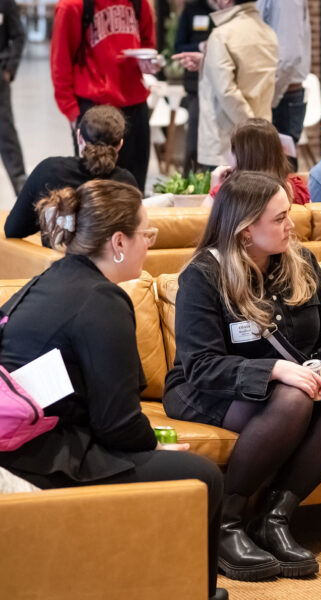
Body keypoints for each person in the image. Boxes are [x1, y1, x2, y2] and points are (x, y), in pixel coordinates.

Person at [0, 179, 227, 600]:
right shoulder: (101, 301)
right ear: (119, 241)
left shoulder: (51, 279)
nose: (149, 246)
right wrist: (153, 445)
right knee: (203, 476)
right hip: (38, 455)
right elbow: (117, 423)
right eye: (147, 235)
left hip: (23, 437)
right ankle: (196, 593)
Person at [163, 171, 321, 579]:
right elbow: (201, 365)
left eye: (289, 213)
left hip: (291, 384)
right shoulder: (203, 275)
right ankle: (226, 524)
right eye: (279, 218)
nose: (291, 224)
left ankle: (273, 518)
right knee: (292, 399)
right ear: (245, 231)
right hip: (206, 388)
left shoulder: (301, 261)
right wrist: (275, 370)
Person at [50, 0, 159, 191]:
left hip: (135, 105)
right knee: (96, 191)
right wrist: (72, 112)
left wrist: (148, 63)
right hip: (94, 108)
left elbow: (147, 44)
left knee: (134, 188)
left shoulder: (139, 3)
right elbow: (60, 62)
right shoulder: (72, 6)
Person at [4, 105, 137, 244]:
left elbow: (13, 229)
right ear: (120, 144)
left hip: (57, 257)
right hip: (111, 258)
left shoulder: (49, 171)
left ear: (79, 137)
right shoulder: (126, 183)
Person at [174, 0, 279, 170]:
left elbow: (227, 91)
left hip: (227, 141)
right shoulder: (267, 32)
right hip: (261, 129)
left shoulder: (222, 35)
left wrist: (251, 129)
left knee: (226, 187)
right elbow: (251, 72)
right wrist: (207, 61)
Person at [203, 118, 310, 207]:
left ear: (241, 156)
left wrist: (214, 189)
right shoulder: (297, 190)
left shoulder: (226, 194)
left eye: (232, 149)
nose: (229, 154)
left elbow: (203, 222)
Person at [258, 0, 311, 171]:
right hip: (278, 93)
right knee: (269, 171)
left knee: (280, 173)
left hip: (282, 95)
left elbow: (290, 57)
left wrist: (269, 97)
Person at [174, 0, 215, 175]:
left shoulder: (230, 10)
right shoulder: (192, 9)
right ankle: (191, 183)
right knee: (195, 141)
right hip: (196, 88)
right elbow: (178, 47)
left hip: (223, 86)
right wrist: (200, 47)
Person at [0, 0, 26, 195]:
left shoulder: (6, 3)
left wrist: (10, 69)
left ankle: (20, 182)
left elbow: (18, 35)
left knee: (5, 131)